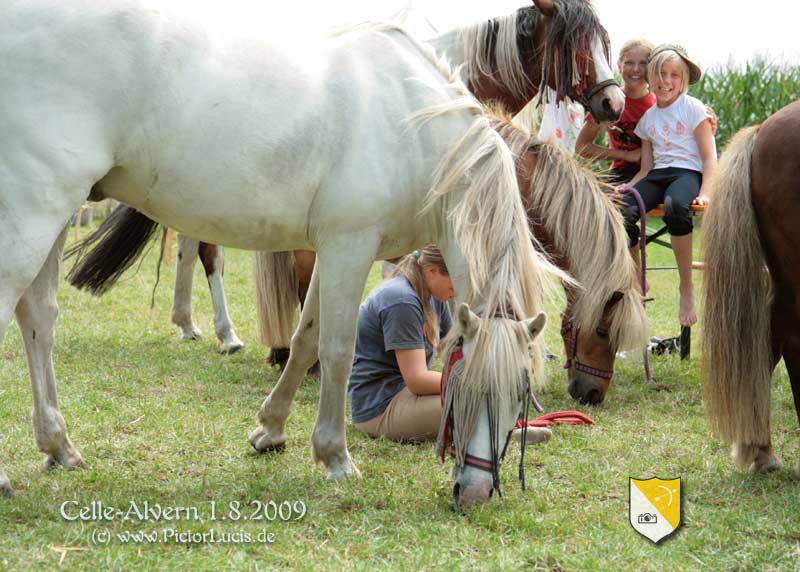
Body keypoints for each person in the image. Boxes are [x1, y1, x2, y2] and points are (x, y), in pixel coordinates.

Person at [348, 245, 551, 444]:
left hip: (403, 395)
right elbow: (417, 380)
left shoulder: (432, 294)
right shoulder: (402, 301)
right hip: (379, 407)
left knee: (482, 400)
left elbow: (452, 348)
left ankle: (499, 430)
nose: (459, 290)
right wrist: (479, 382)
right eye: (455, 281)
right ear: (432, 271)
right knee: (473, 404)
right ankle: (501, 433)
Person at [621, 45, 717, 328]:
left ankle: (686, 287)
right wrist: (624, 189)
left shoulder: (693, 109)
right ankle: (638, 275)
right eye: (661, 74)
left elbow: (710, 157)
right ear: (651, 76)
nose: (666, 80)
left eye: (674, 75)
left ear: (683, 80)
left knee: (676, 207)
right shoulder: (648, 119)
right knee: (621, 211)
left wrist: (706, 192)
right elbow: (646, 168)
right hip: (658, 174)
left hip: (687, 173)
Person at [576, 39, 656, 184]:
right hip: (621, 172)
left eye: (643, 63)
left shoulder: (660, 104)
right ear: (619, 66)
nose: (636, 69)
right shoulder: (609, 102)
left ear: (652, 68)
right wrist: (625, 155)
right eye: (629, 63)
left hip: (655, 172)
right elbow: (582, 147)